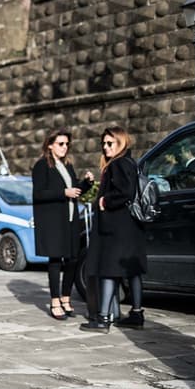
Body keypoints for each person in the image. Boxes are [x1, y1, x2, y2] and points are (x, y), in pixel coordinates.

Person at [80, 126, 147, 332]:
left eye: (110, 143)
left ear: (121, 142)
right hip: (130, 227)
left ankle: (102, 319)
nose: (105, 147)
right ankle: (136, 314)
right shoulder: (130, 162)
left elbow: (124, 192)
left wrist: (105, 201)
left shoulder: (117, 164)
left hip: (115, 228)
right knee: (132, 271)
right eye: (104, 143)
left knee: (108, 270)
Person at [31, 129, 93, 320]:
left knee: (73, 259)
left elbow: (74, 191)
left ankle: (66, 298)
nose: (65, 147)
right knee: (56, 260)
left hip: (71, 220)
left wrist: (86, 184)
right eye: (60, 144)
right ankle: (55, 300)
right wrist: (63, 193)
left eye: (67, 144)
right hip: (53, 222)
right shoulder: (42, 166)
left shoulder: (67, 165)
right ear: (50, 145)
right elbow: (38, 194)